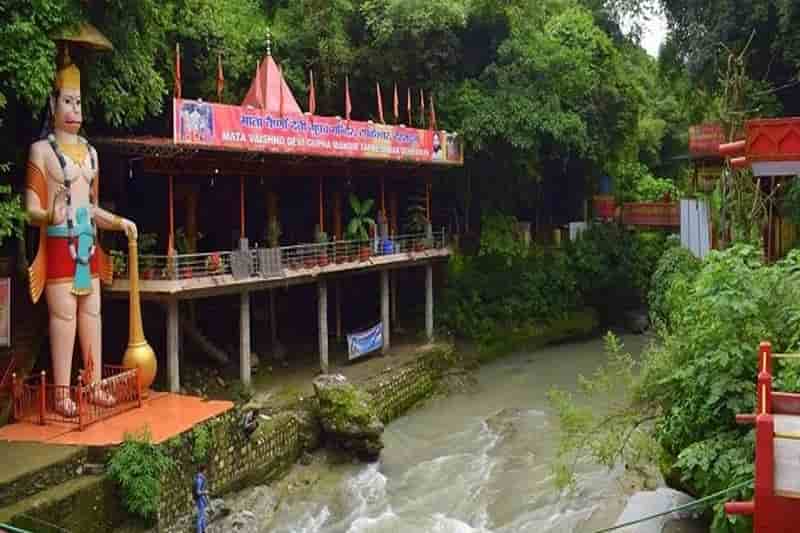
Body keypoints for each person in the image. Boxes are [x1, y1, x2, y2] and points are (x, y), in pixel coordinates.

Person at [25, 47, 137, 417]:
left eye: (78, 101)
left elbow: (91, 207)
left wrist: (119, 223)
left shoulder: (91, 153)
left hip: (87, 243)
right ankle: (60, 394)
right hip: (59, 243)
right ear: (53, 102)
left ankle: (91, 383)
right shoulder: (40, 151)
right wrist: (49, 213)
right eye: (68, 101)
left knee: (93, 314)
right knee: (64, 317)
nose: (75, 110)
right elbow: (29, 210)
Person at [194, 465, 210, 533]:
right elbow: (198, 492)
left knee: (203, 515)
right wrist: (205, 492)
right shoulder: (199, 480)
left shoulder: (200, 478)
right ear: (203, 470)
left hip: (201, 499)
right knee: (200, 517)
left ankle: (204, 530)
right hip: (199, 499)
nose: (206, 472)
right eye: (206, 470)